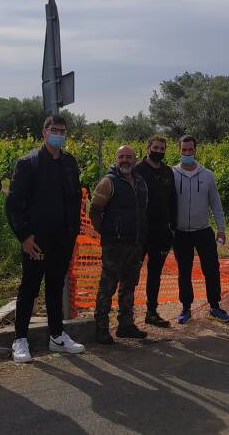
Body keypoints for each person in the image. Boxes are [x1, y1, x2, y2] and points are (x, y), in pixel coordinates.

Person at [5, 115, 86, 363]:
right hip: (36, 241)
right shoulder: (28, 163)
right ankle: (20, 339)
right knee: (29, 288)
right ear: (44, 132)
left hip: (62, 239)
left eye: (62, 131)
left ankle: (56, 335)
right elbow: (14, 204)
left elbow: (74, 201)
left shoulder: (70, 163)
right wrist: (24, 237)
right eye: (54, 130)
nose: (58, 134)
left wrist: (73, 235)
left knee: (54, 287)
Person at [89, 145, 150, 343]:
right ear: (116, 159)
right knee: (107, 287)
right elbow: (95, 211)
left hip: (135, 243)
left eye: (129, 157)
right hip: (114, 245)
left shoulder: (140, 182)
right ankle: (101, 329)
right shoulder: (108, 182)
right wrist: (107, 233)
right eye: (121, 156)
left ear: (135, 159)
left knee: (129, 285)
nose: (125, 160)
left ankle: (126, 325)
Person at [172, 135, 229, 324]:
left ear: (195, 150)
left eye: (190, 150)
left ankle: (215, 306)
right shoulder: (172, 173)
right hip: (180, 232)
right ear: (179, 151)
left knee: (212, 269)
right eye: (184, 150)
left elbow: (216, 204)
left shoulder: (207, 175)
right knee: (184, 271)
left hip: (203, 231)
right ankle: (186, 308)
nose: (187, 153)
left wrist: (221, 228)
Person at [133, 135, 178, 328]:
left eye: (162, 148)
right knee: (130, 273)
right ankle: (125, 316)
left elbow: (173, 200)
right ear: (148, 147)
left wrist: (173, 227)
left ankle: (151, 312)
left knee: (155, 274)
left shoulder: (168, 172)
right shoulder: (137, 170)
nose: (158, 151)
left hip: (161, 232)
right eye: (156, 148)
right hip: (139, 232)